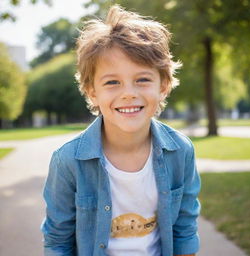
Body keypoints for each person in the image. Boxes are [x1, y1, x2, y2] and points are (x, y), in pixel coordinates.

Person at [41, 4, 201, 256]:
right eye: (112, 82)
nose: (128, 93)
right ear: (92, 91)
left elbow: (185, 229)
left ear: (163, 86)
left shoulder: (180, 151)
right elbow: (58, 241)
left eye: (143, 79)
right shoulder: (67, 161)